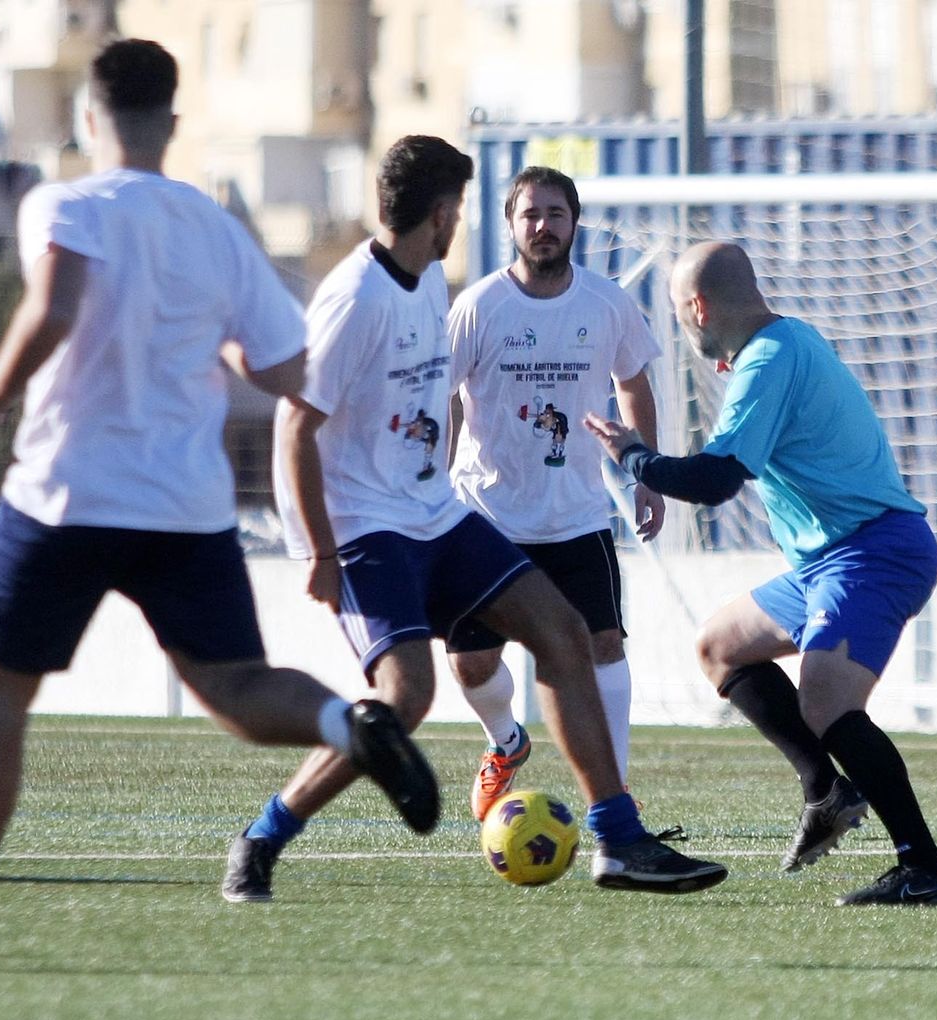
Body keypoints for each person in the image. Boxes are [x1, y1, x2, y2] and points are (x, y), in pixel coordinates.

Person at [0, 40, 437, 957]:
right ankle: (351, 720)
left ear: (87, 119)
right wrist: (217, 344)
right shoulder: (215, 228)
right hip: (185, 504)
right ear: (173, 124)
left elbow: (55, 307)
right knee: (235, 690)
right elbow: (287, 368)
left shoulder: (64, 199)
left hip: (66, 494)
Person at [220, 140, 725, 902]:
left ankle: (620, 841)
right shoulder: (356, 298)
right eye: (459, 206)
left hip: (439, 514)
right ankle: (263, 837)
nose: (462, 219)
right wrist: (317, 550)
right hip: (369, 529)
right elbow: (296, 424)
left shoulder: (427, 281)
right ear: (441, 210)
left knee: (562, 632)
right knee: (406, 698)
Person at [584, 241, 937, 907]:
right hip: (828, 560)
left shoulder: (770, 360)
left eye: (678, 315)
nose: (682, 327)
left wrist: (634, 456)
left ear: (698, 307)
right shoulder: (783, 344)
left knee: (828, 702)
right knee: (720, 644)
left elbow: (717, 480)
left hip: (876, 549)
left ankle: (925, 866)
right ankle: (826, 789)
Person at [444, 166, 666, 821]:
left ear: (574, 223)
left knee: (604, 647)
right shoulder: (479, 306)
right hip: (485, 517)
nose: (543, 226)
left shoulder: (606, 303)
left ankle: (617, 789)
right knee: (472, 662)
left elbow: (633, 384)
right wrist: (426, 483)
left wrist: (645, 471)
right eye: (530, 215)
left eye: (556, 214)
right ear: (511, 225)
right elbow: (443, 396)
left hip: (576, 517)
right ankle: (506, 742)